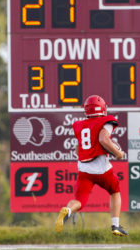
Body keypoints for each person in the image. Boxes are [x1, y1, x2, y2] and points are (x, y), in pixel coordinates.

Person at [55, 95, 128, 236]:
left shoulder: (80, 125)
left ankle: (68, 210)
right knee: (115, 191)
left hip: (84, 169)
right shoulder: (106, 121)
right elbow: (103, 139)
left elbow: (78, 149)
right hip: (101, 169)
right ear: (102, 108)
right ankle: (115, 226)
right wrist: (118, 154)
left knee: (79, 201)